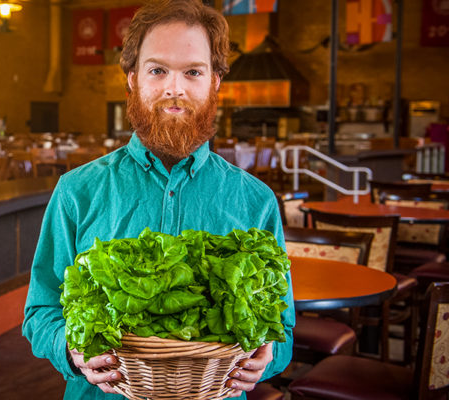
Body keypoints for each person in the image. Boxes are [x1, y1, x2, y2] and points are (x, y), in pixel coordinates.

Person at [22, 0, 295, 398]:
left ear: (215, 81)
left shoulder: (256, 201)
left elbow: (282, 329)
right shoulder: (77, 191)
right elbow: (40, 311)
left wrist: (268, 358)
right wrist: (70, 349)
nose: (174, 88)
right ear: (132, 78)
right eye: (157, 70)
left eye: (193, 72)